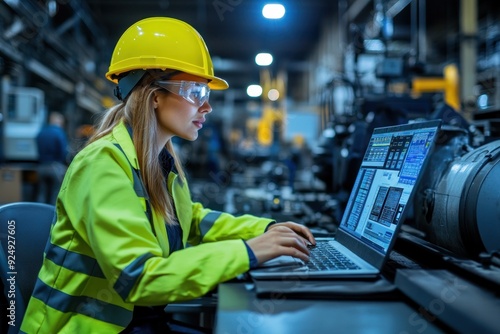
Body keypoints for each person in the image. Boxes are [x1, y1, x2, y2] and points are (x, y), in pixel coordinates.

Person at [20, 17, 315, 334]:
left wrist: (267, 229)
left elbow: (192, 221)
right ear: (154, 95)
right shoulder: (103, 163)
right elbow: (139, 277)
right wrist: (249, 252)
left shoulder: (160, 163)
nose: (207, 107)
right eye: (195, 91)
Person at [35, 111, 68, 204]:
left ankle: (39, 212)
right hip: (55, 167)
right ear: (59, 121)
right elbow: (63, 151)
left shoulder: (42, 132)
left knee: (42, 192)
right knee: (55, 193)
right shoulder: (59, 133)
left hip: (41, 167)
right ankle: (52, 214)